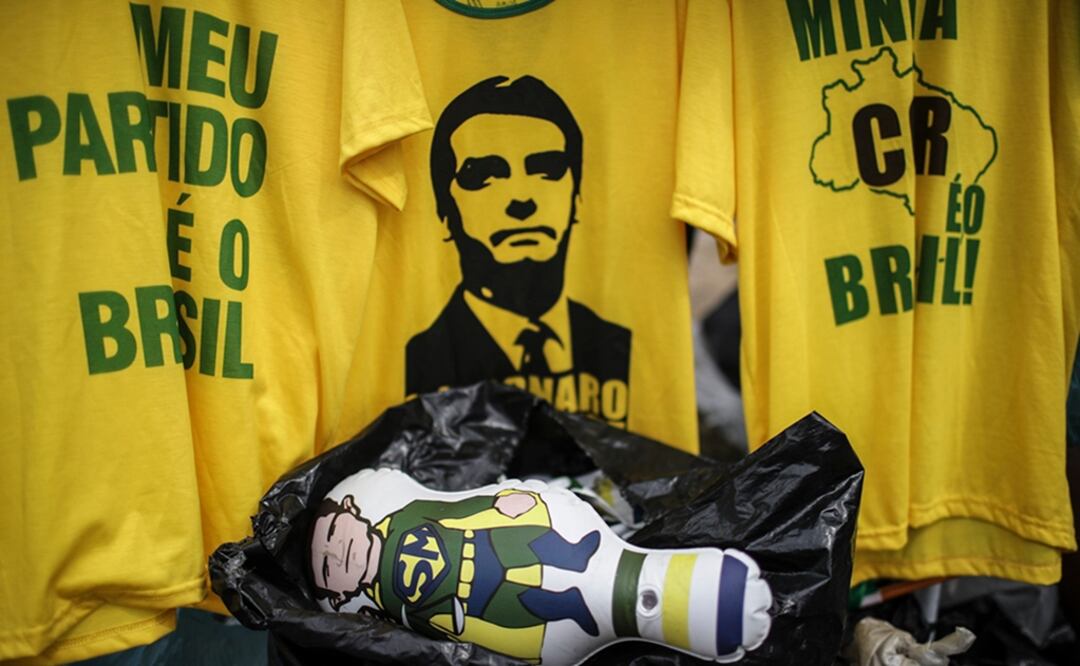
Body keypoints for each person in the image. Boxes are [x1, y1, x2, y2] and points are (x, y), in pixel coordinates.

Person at [405, 75, 631, 399]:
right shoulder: (416, 360)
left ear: (577, 198)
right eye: (483, 176)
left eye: (548, 170)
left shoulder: (620, 345)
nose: (522, 199)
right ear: (444, 213)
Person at [310, 489, 602, 661]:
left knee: (528, 540)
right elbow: (419, 630)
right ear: (339, 597)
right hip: (471, 601)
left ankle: (574, 553)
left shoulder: (403, 517)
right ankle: (570, 606)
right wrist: (452, 631)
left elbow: (453, 513)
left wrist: (496, 505)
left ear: (350, 508)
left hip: (480, 545)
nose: (335, 551)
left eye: (334, 530)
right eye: (327, 568)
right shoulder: (383, 605)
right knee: (522, 609)